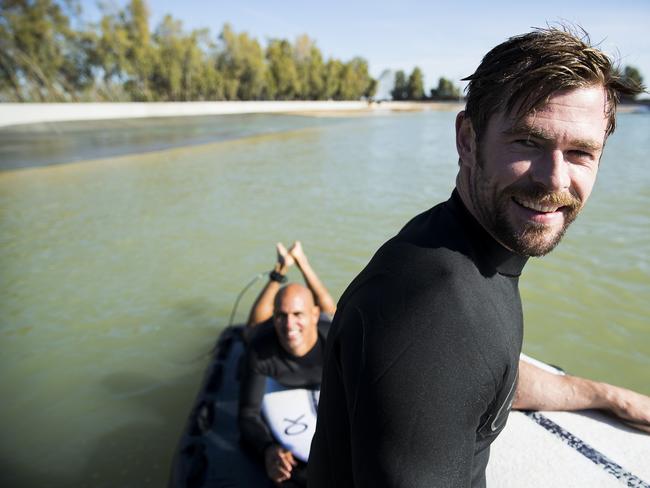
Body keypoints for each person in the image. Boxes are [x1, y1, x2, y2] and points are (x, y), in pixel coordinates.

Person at [308, 27, 650, 488]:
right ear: (467, 139)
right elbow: (453, 355)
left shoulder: (456, 250)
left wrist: (604, 395)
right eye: (528, 142)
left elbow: (483, 372)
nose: (555, 179)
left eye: (580, 152)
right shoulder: (438, 309)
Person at [238, 241, 335, 487]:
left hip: (325, 324)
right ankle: (280, 269)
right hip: (274, 365)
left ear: (313, 316)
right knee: (250, 331)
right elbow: (247, 414)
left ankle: (302, 261)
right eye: (281, 315)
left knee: (333, 312)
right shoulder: (262, 350)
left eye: (297, 315)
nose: (289, 325)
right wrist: (268, 449)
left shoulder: (335, 339)